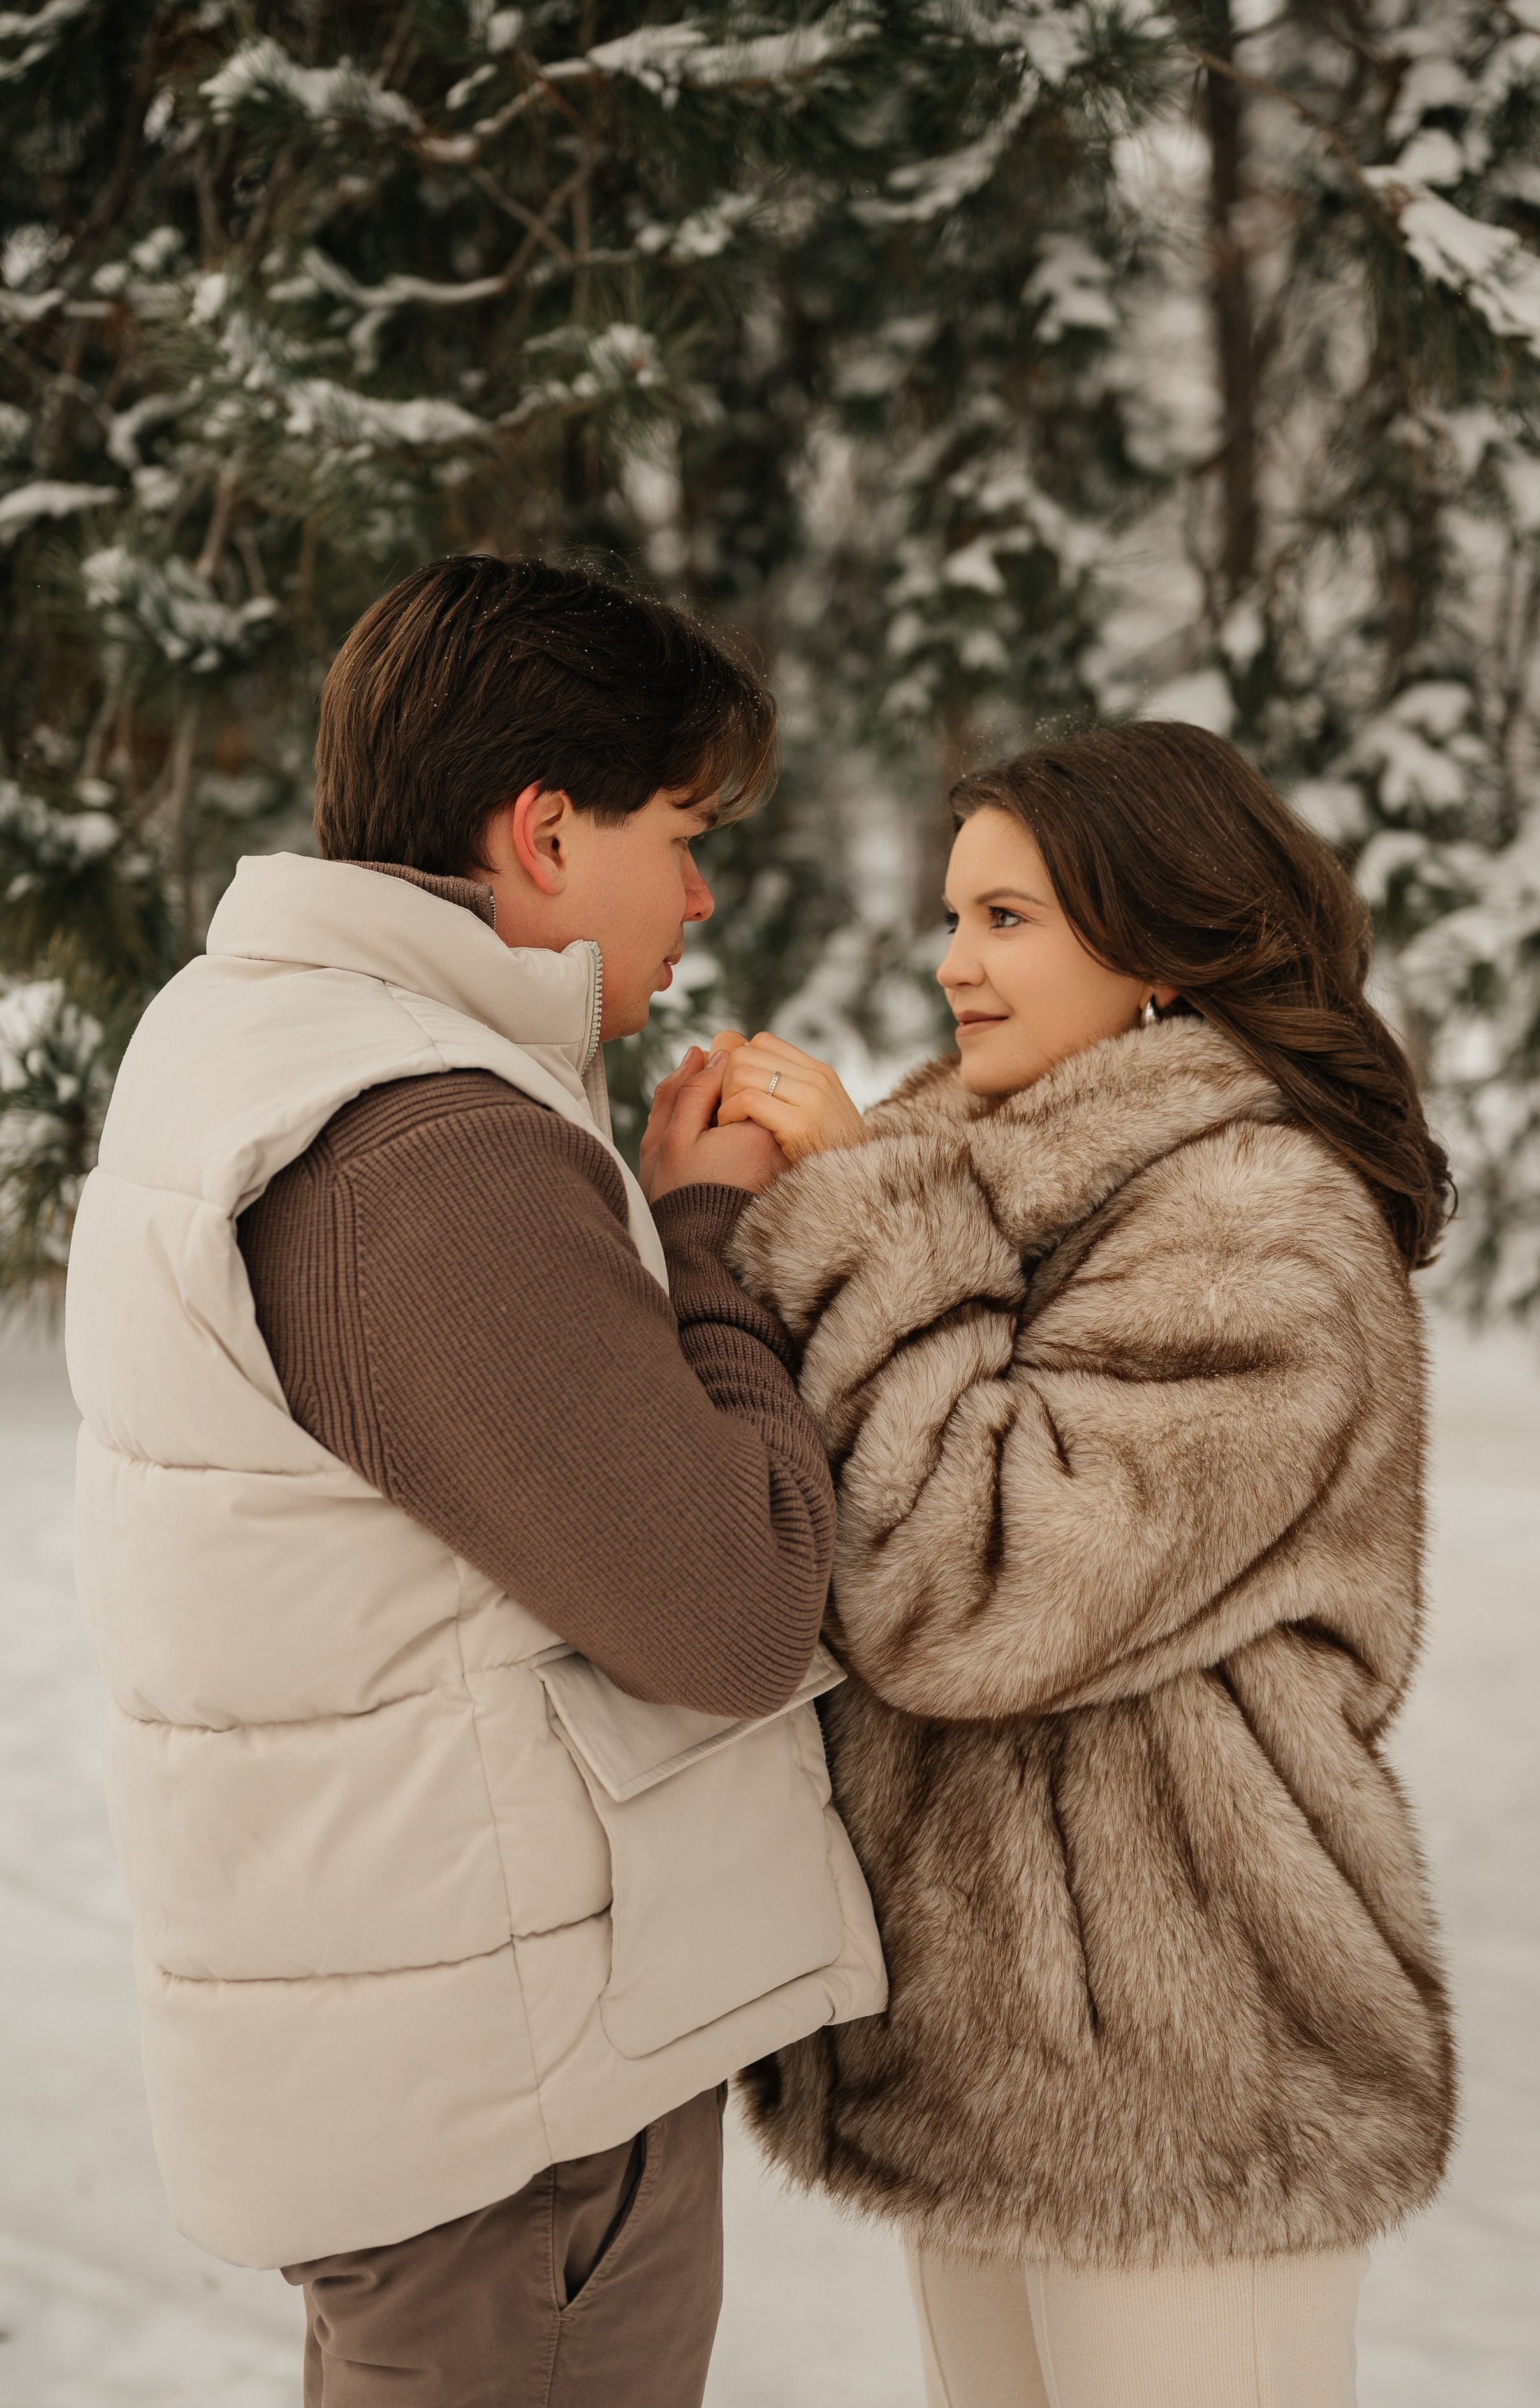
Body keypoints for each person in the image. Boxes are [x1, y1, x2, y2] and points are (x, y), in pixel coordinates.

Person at [64, 556, 884, 2408]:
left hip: (413, 2052)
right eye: (680, 837)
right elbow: (734, 1612)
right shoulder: (428, 1144)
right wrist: (708, 1241)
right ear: (544, 831)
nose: (699, 897)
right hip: (513, 2121)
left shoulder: (247, 1040)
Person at [709, 724, 1456, 2408]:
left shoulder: (1257, 1221)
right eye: (952, 916)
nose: (952, 964)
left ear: (1165, 948)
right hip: (981, 2058)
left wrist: (861, 1210)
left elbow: (974, 1588)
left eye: (1008, 919)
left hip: (1195, 2074)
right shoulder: (993, 1188)